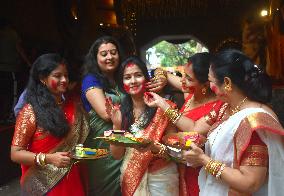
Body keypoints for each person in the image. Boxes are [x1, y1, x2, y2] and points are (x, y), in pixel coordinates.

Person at [183, 49, 284, 196]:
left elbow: (250, 183)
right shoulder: (228, 107)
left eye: (210, 81)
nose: (209, 87)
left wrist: (204, 160)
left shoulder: (254, 120)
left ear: (227, 83)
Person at [144, 52, 224, 196]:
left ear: (206, 84)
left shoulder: (218, 105)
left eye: (189, 79)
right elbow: (162, 71)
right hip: (180, 166)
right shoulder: (191, 93)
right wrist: (161, 78)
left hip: (200, 171)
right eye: (182, 75)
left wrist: (163, 105)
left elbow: (194, 129)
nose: (182, 81)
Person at [11, 53, 89, 195]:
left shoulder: (74, 105)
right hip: (44, 183)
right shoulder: (30, 111)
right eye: (57, 76)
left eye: (66, 75)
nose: (64, 80)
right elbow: (15, 153)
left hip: (72, 178)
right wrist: (49, 159)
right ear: (43, 79)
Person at [107, 56, 181, 196]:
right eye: (127, 77)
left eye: (138, 75)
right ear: (122, 83)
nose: (133, 81)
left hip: (162, 178)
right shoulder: (121, 112)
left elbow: (176, 152)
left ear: (146, 78)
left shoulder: (163, 107)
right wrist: (117, 125)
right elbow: (116, 155)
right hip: (132, 179)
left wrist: (153, 147)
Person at [81, 36, 125, 196]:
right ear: (96, 58)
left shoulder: (122, 78)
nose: (109, 57)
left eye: (113, 53)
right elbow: (106, 114)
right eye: (104, 54)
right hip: (102, 144)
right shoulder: (90, 80)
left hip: (124, 140)